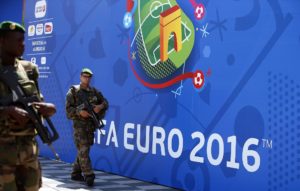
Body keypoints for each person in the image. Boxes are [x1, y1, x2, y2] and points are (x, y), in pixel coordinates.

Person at [0, 21, 56, 190]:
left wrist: (48, 108)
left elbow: (36, 100)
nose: (23, 45)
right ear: (2, 41)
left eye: (23, 40)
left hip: (28, 157)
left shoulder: (29, 69)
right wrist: (7, 111)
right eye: (18, 40)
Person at [65, 68, 108, 186]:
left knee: (84, 150)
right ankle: (89, 175)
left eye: (89, 77)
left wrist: (99, 106)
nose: (86, 79)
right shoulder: (73, 91)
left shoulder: (94, 92)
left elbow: (105, 103)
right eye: (84, 76)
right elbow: (68, 111)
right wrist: (80, 112)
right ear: (80, 77)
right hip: (79, 127)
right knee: (83, 150)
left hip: (90, 127)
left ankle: (75, 173)